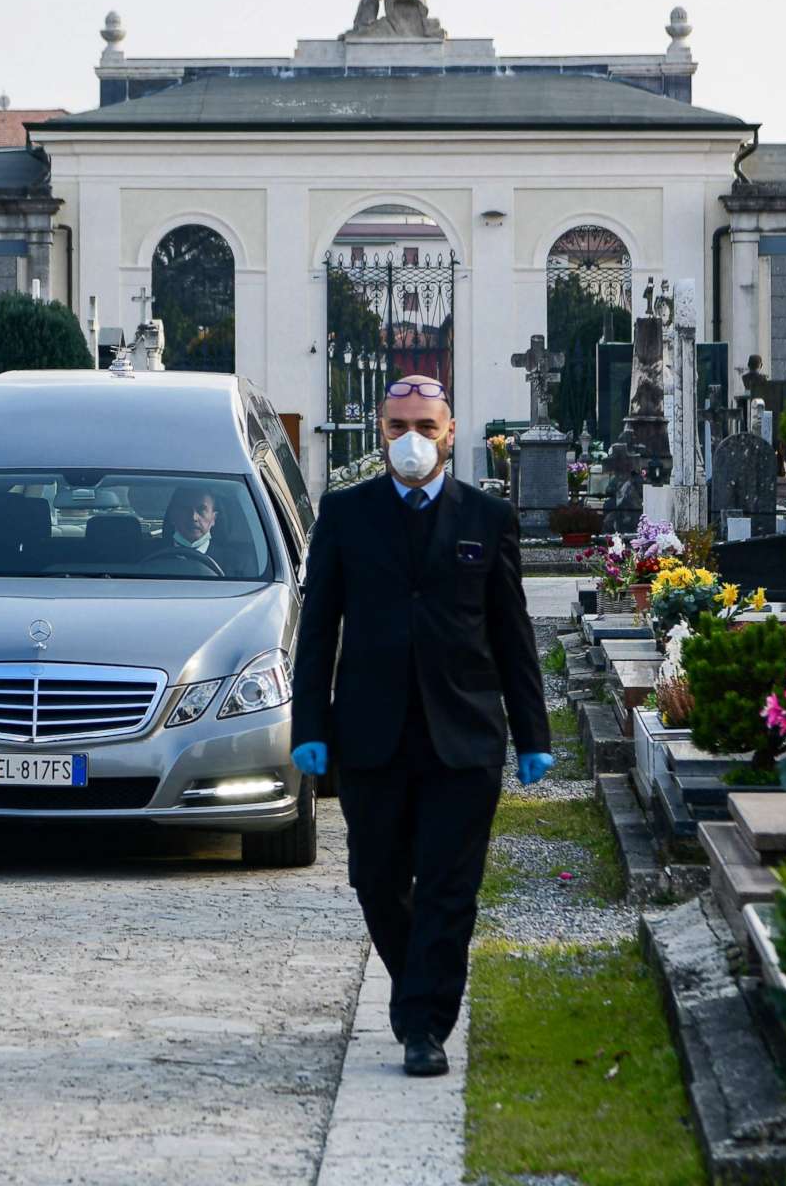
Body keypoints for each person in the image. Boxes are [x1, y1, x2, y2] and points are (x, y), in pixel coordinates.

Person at [291, 375, 553, 1079]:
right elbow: (318, 630)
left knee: (447, 886)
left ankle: (425, 1024)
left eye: (426, 427)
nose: (411, 440)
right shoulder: (345, 514)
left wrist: (534, 735)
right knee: (377, 881)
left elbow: (512, 632)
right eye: (397, 425)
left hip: (463, 734)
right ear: (381, 431)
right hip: (373, 734)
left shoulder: (487, 518)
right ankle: (418, 988)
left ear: (450, 430)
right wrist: (309, 723)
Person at [160, 484, 219, 556]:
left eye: (201, 509)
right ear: (173, 516)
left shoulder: (232, 561)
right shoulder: (148, 554)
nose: (193, 517)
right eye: (185, 509)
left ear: (213, 518)